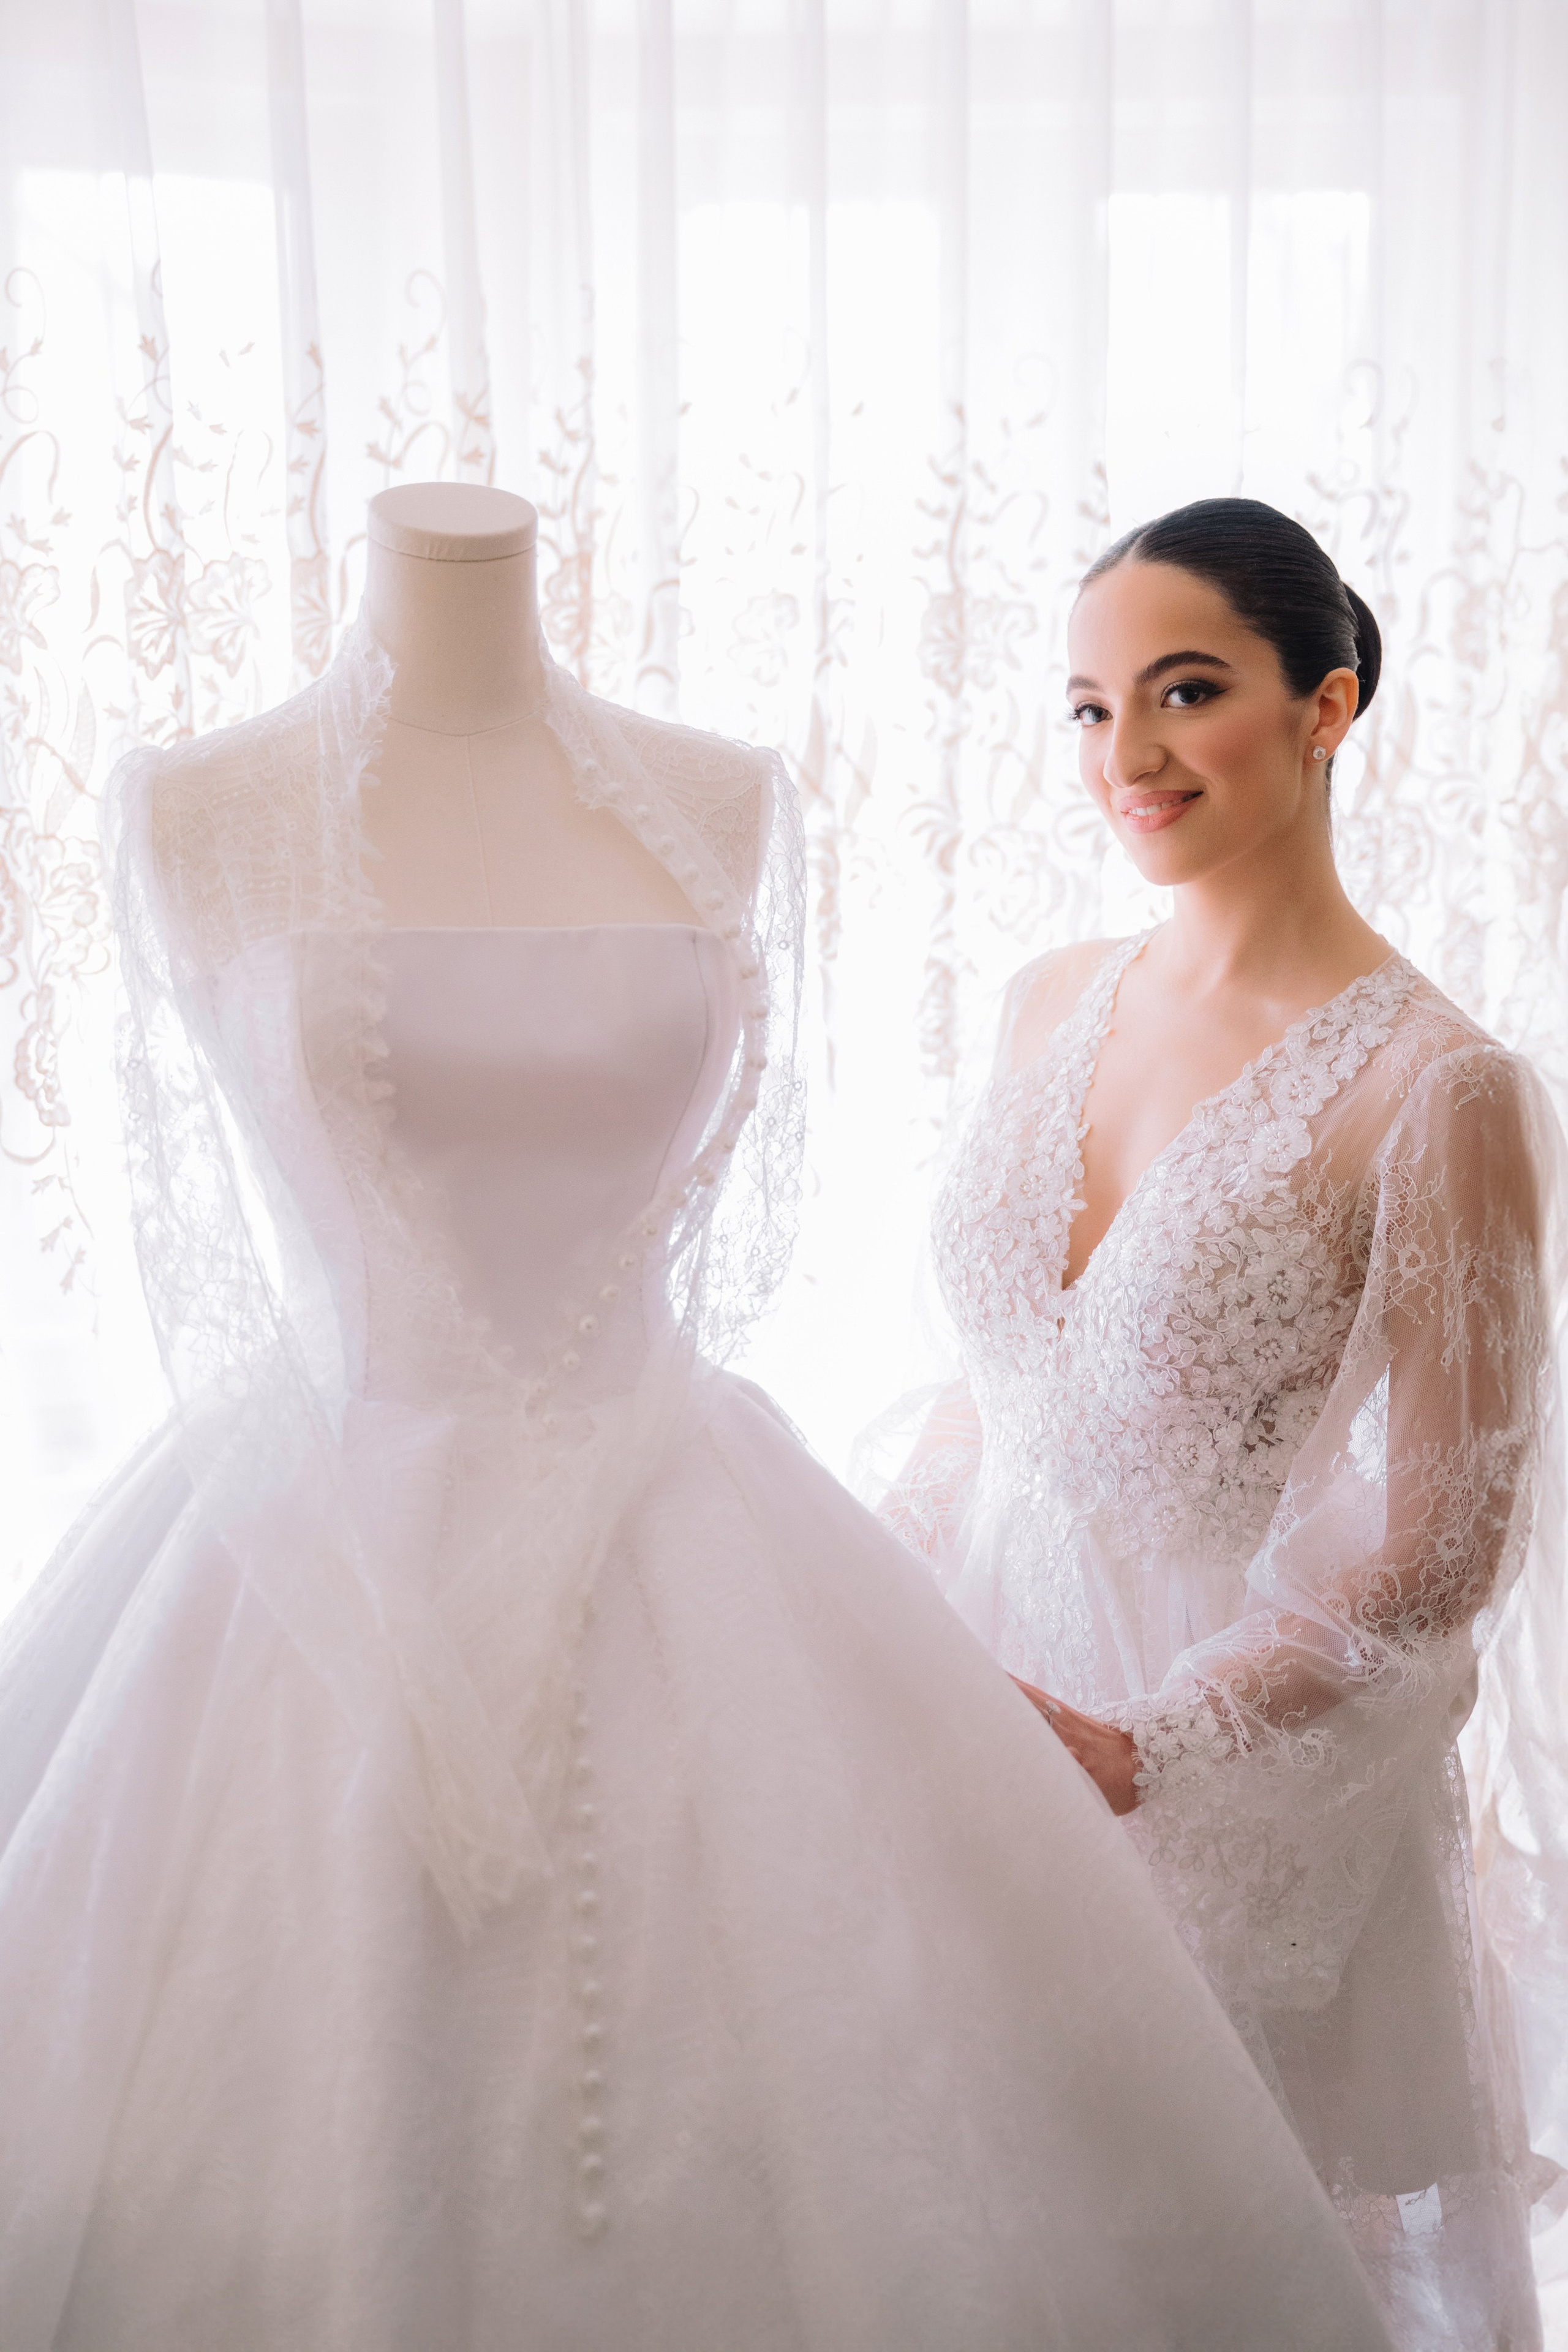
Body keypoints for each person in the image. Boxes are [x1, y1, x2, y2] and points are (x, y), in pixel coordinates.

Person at [0, 484, 1390, 2351]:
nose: (1124, 744)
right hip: (310, 1559)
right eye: (1097, 705)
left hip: (680, 1508)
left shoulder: (715, 801)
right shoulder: (198, 810)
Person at [880, 496, 1566, 2352]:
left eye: (1185, 692)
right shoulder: (1048, 1000)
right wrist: (875, 1610)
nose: (1130, 754)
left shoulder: (1438, 1088)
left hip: (1216, 1759)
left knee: (1179, 2260)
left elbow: (1448, 1547)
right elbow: (994, 1386)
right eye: (1090, 708)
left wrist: (1149, 1749)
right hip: (977, 1693)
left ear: (1326, 706)